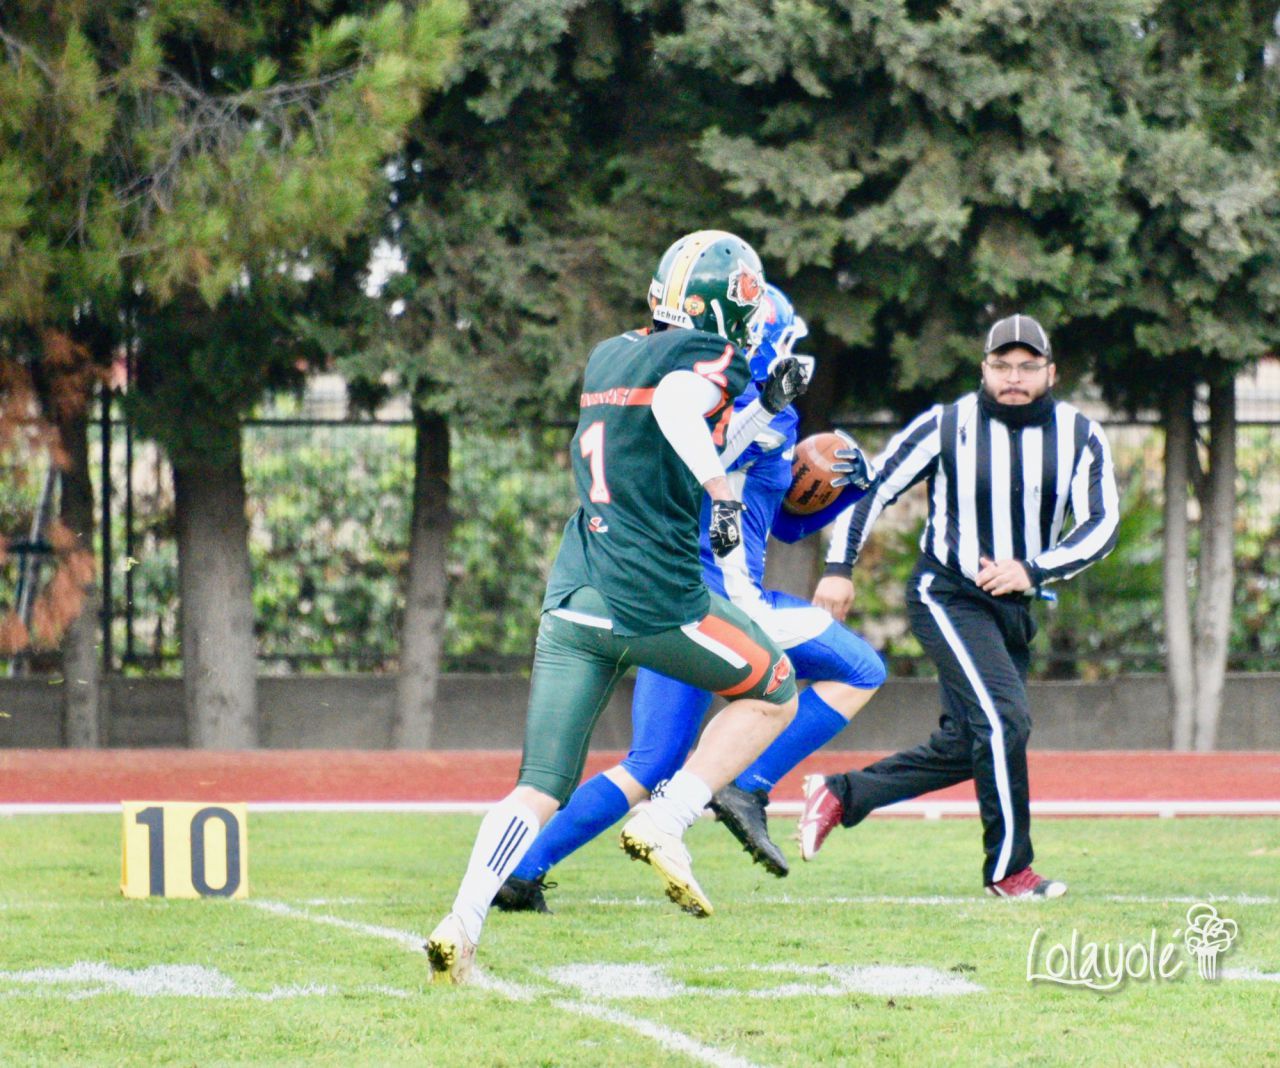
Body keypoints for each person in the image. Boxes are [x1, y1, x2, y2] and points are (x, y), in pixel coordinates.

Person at [425, 230, 809, 983]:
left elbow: (677, 430)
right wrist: (722, 492)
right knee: (775, 690)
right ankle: (667, 818)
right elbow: (676, 408)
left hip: (576, 588)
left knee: (539, 783)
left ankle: (460, 921)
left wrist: (762, 409)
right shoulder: (706, 358)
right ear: (724, 306)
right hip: (652, 596)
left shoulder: (608, 355)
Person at [492, 286, 884, 914]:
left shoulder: (709, 396)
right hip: (715, 597)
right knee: (861, 669)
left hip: (664, 585)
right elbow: (720, 459)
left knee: (653, 761)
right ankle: (745, 785)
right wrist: (779, 424)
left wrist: (841, 488)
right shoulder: (744, 406)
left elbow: (780, 523)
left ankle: (519, 870)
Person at [799, 314, 1119, 899]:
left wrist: (1034, 568)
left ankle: (841, 795)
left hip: (1016, 604)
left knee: (968, 742)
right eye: (1002, 366)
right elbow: (875, 487)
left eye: (1027, 367)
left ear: (1050, 372)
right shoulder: (947, 425)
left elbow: (1102, 524)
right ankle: (1010, 871)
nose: (1014, 378)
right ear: (984, 369)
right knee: (1005, 723)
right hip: (946, 591)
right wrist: (839, 569)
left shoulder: (1080, 435)